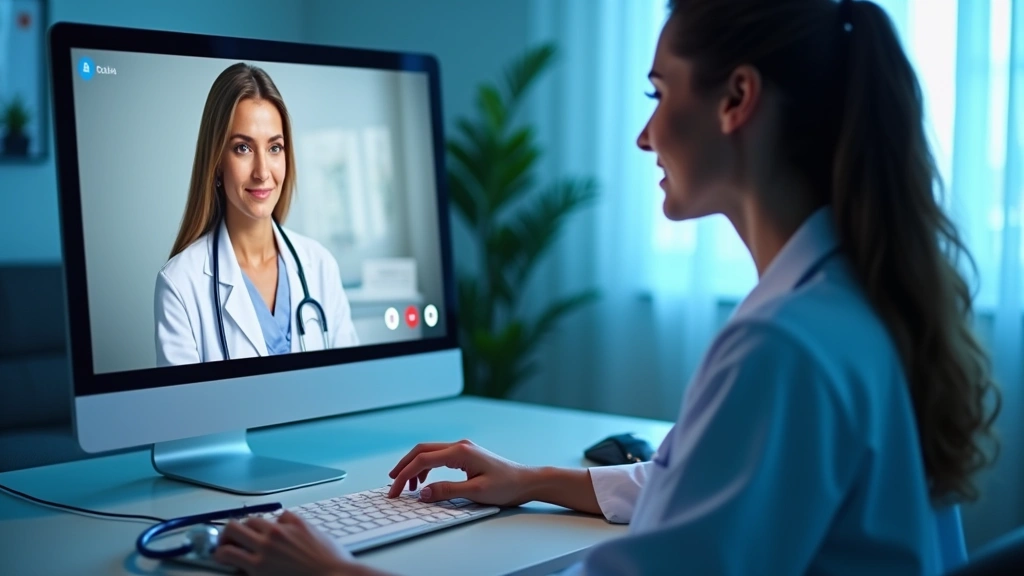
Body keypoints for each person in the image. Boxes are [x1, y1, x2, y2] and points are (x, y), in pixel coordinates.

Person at [209, 0, 1001, 574]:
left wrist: (335, 573)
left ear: (737, 100)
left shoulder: (782, 348)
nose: (644, 134)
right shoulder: (852, 300)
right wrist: (536, 480)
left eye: (659, 95)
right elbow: (710, 487)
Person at [155, 62, 359, 365]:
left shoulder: (320, 266)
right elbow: (183, 411)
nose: (263, 172)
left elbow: (352, 387)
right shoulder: (180, 285)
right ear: (217, 162)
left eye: (274, 148)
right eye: (243, 148)